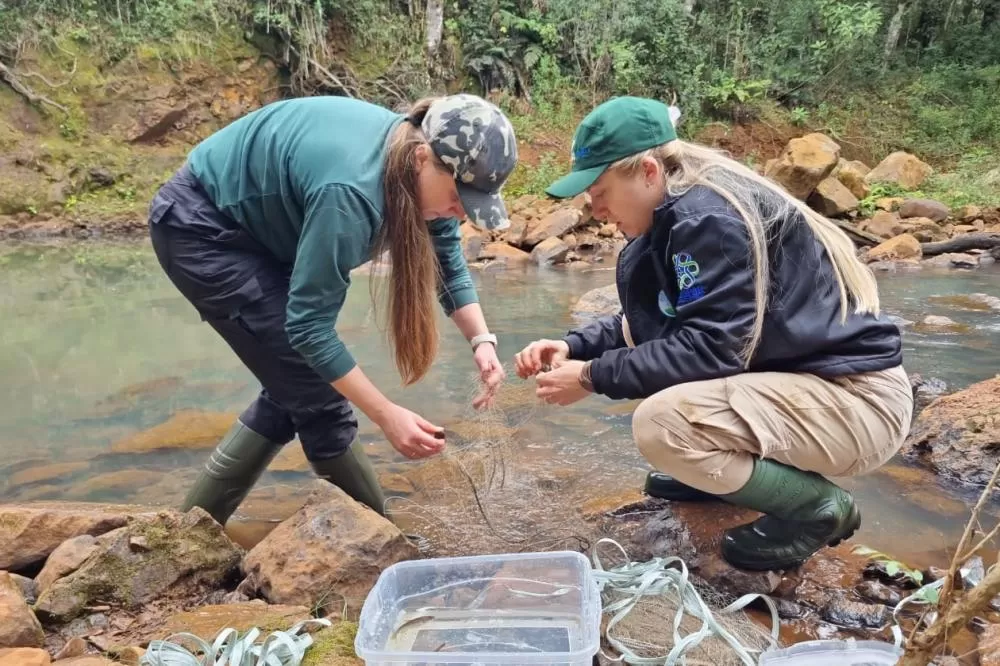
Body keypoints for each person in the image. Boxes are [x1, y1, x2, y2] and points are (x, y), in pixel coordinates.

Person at [515, 96, 913, 571]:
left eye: (600, 191)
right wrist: (572, 346)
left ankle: (816, 508)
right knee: (669, 407)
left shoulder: (707, 219)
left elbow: (712, 349)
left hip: (855, 402)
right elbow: (652, 322)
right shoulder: (671, 220)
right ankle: (718, 476)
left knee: (661, 424)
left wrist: (590, 377)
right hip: (812, 391)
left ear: (647, 171)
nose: (594, 209)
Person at [147, 93, 516, 526]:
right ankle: (385, 546)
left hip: (261, 234)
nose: (460, 214)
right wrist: (387, 415)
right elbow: (309, 328)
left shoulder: (411, 162)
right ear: (422, 158)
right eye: (458, 198)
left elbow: (446, 258)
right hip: (203, 230)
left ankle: (191, 528)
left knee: (295, 385)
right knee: (319, 398)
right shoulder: (351, 193)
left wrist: (482, 341)